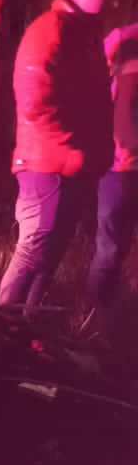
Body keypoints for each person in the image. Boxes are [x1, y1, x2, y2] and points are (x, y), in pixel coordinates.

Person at [0, 0, 116, 316]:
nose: (113, 1)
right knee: (34, 248)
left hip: (74, 165)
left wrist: (95, 151)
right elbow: (34, 98)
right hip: (45, 163)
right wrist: (70, 149)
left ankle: (25, 325)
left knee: (51, 254)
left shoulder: (85, 35)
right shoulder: (50, 29)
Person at [86, 20, 138, 327]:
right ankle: (95, 314)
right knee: (111, 248)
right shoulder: (125, 73)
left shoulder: (120, 73)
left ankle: (100, 313)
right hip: (120, 170)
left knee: (114, 247)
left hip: (119, 169)